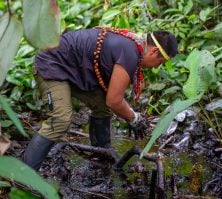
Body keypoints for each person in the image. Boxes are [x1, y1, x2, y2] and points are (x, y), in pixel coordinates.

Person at [23, 27, 178, 170]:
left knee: (102, 106)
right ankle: (24, 175)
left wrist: (129, 115)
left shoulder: (133, 45)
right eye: (160, 62)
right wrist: (134, 119)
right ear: (154, 51)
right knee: (61, 120)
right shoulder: (130, 52)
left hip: (75, 71)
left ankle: (102, 156)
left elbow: (110, 100)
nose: (157, 67)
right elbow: (114, 101)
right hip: (52, 65)